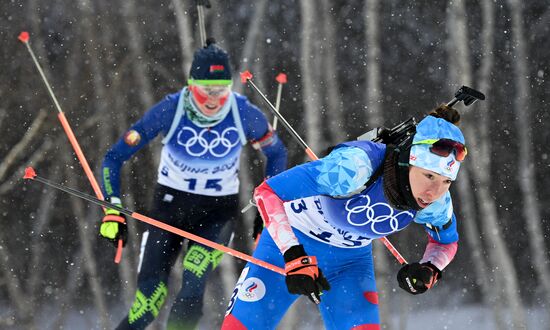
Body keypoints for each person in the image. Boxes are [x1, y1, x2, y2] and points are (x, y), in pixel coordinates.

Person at [98, 38, 287, 330]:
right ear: (191, 86)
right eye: (205, 91)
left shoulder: (243, 112)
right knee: (148, 303)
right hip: (168, 210)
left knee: (194, 273)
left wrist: (267, 207)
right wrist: (113, 208)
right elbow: (113, 158)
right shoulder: (170, 110)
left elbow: (277, 152)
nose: (214, 100)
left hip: (216, 214)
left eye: (222, 90)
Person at [222, 105, 466, 329]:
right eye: (429, 176)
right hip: (285, 249)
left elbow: (446, 242)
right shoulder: (355, 167)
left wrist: (430, 268)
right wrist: (293, 254)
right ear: (409, 161)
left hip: (348, 266)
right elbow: (268, 192)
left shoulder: (436, 203)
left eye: (446, 181)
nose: (433, 192)